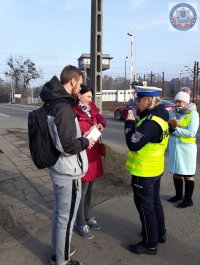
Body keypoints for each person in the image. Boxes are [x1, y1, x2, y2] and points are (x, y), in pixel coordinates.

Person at [40, 65, 96, 265]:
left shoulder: (53, 102)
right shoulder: (63, 108)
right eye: (80, 83)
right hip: (68, 171)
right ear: (73, 81)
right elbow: (67, 145)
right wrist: (87, 141)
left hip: (58, 168)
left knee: (59, 214)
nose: (80, 88)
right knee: (67, 219)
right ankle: (62, 260)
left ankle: (58, 252)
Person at [124, 86, 169, 255]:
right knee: (155, 203)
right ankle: (160, 233)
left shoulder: (151, 122)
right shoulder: (162, 115)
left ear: (148, 101)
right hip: (155, 169)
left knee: (145, 207)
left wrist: (129, 122)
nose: (137, 103)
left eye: (139, 100)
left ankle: (150, 243)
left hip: (144, 171)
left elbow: (133, 143)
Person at [73, 84, 106, 239]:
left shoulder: (90, 107)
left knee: (90, 188)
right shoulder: (73, 110)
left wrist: (100, 124)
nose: (90, 100)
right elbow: (70, 134)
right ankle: (80, 223)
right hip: (82, 154)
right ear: (79, 95)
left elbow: (100, 118)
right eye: (88, 97)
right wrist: (83, 134)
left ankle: (87, 216)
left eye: (91, 97)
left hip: (93, 154)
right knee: (82, 190)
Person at [168, 89, 199, 208]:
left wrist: (175, 130)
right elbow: (169, 124)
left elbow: (191, 132)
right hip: (175, 147)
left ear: (186, 102)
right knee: (176, 173)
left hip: (187, 149)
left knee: (187, 174)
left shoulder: (193, 114)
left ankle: (188, 200)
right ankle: (178, 195)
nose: (177, 104)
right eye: (176, 101)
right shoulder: (173, 112)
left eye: (179, 102)